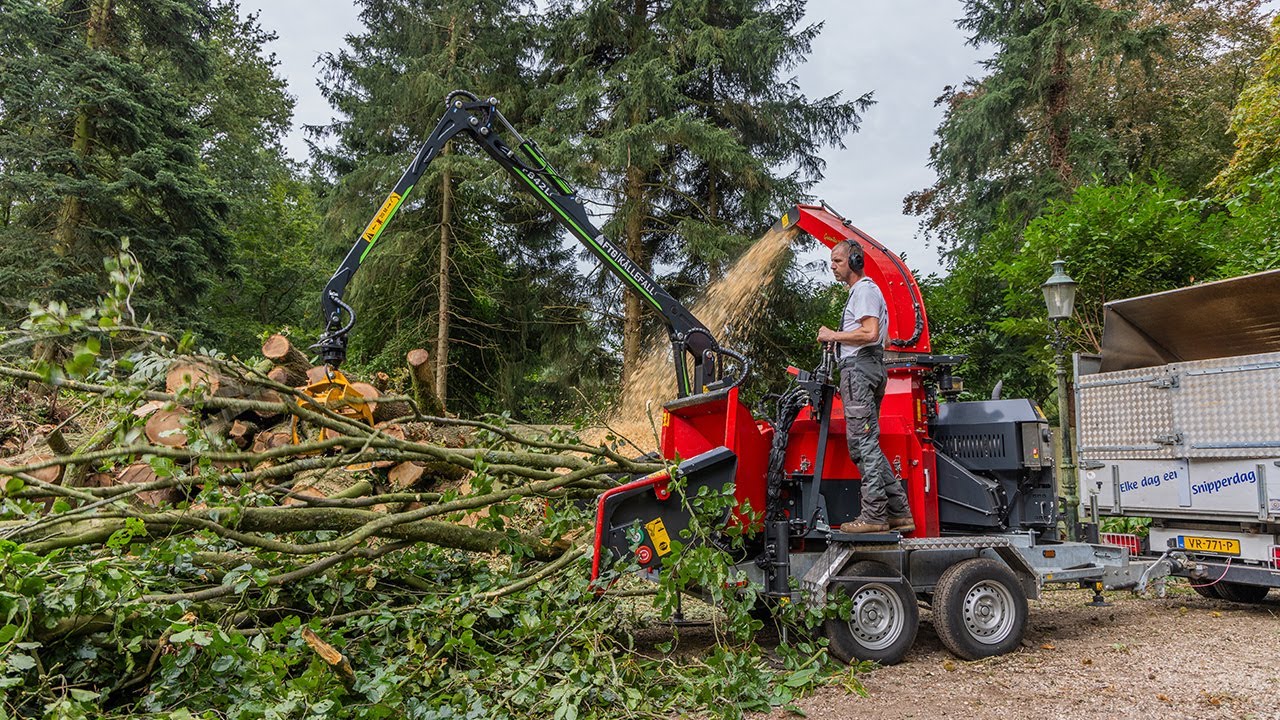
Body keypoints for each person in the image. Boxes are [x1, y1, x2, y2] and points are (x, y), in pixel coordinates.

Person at [816, 239, 914, 534]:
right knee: (864, 443)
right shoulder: (862, 293)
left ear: (855, 262)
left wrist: (834, 334)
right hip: (863, 367)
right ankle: (899, 512)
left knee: (863, 443)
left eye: (838, 260)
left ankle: (874, 515)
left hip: (859, 369)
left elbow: (871, 333)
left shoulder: (865, 291)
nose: (832, 266)